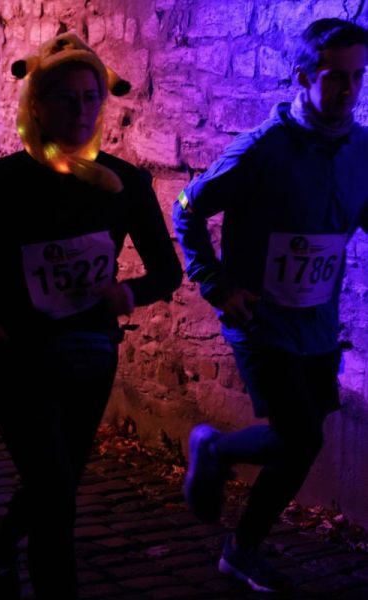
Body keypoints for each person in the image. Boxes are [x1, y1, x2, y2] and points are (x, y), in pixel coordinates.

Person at [0, 33, 182, 599]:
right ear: (36, 106)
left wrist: (129, 293)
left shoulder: (124, 183)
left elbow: (167, 272)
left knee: (56, 482)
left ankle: (1, 538)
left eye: (90, 97)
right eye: (65, 98)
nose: (81, 110)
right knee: (55, 492)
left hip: (88, 357)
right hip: (14, 355)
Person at [174, 18, 368, 593]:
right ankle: (216, 455)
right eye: (336, 77)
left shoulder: (361, 150)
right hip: (260, 319)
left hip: (318, 323)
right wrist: (217, 285)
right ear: (304, 76)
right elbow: (188, 209)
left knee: (301, 441)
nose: (349, 90)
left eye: (358, 77)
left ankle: (241, 547)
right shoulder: (262, 149)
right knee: (300, 437)